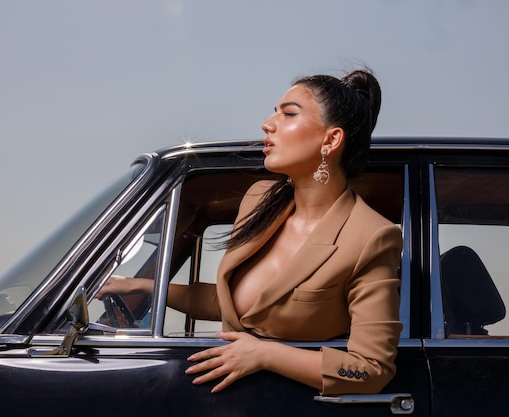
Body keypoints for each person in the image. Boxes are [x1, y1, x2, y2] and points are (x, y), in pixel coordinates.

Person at [98, 68, 402, 395]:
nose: (267, 124)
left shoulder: (371, 236)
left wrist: (266, 354)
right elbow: (231, 301)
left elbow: (372, 369)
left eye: (288, 114)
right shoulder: (259, 199)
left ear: (331, 139)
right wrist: (142, 286)